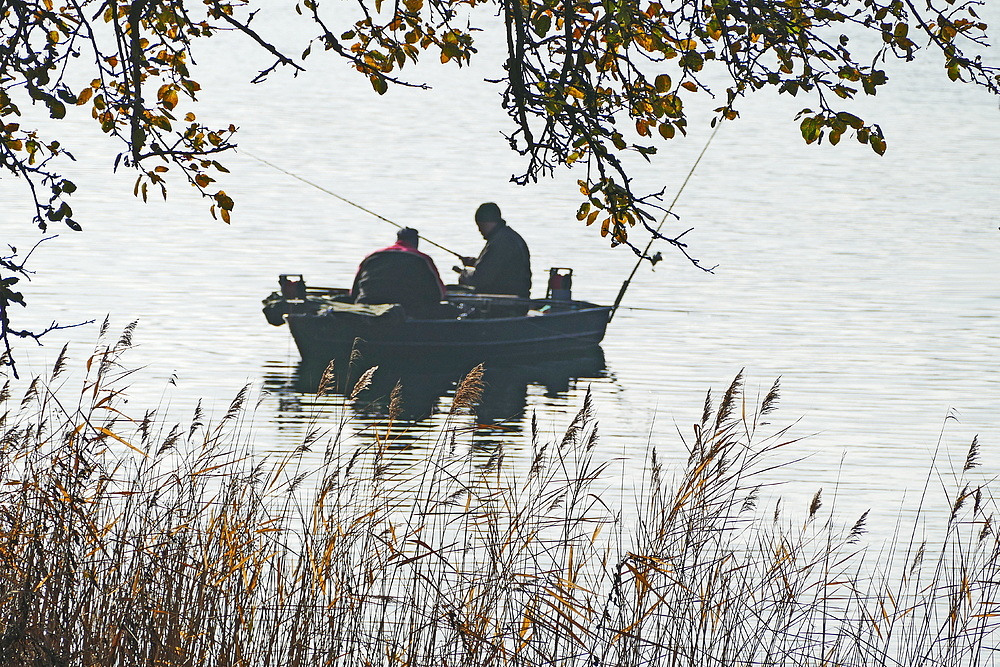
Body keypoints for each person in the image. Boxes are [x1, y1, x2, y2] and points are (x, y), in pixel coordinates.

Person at [351, 227, 446, 315]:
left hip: (368, 304)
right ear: (416, 241)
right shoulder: (422, 258)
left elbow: (354, 292)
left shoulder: (372, 256)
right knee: (450, 309)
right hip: (408, 308)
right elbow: (438, 294)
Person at [456, 202, 531, 298]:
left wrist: (464, 274)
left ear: (485, 223)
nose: (479, 230)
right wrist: (476, 262)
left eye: (480, 226)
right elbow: (499, 266)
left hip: (503, 301)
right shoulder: (508, 236)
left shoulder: (501, 242)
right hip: (516, 296)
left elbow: (480, 279)